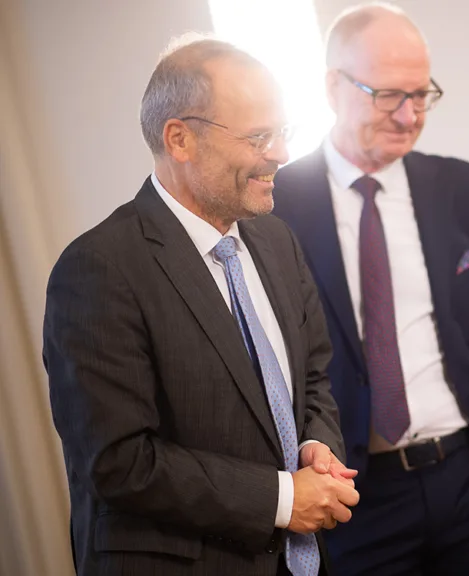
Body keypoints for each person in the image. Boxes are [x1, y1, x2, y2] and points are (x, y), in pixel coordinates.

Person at [272, 3, 469, 574]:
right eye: (389, 96)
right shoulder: (277, 204)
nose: (409, 116)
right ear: (333, 88)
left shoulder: (467, 190)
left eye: (421, 94)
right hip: (355, 503)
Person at [43, 37, 357, 575]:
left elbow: (313, 378)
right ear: (180, 139)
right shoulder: (98, 268)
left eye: (283, 131)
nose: (281, 153)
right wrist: (282, 499)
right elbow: (119, 461)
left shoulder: (276, 241)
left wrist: (315, 444)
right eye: (259, 136)